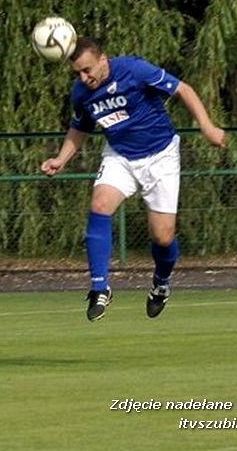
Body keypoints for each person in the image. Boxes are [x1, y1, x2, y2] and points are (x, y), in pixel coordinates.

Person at [40, 37, 225, 322]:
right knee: (100, 204)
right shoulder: (80, 93)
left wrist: (207, 127)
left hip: (160, 155)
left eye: (87, 70)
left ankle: (161, 285)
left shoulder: (134, 70)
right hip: (120, 156)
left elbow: (183, 90)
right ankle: (100, 287)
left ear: (103, 60)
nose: (83, 77)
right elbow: (80, 128)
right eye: (77, 73)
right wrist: (61, 159)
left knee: (162, 237)